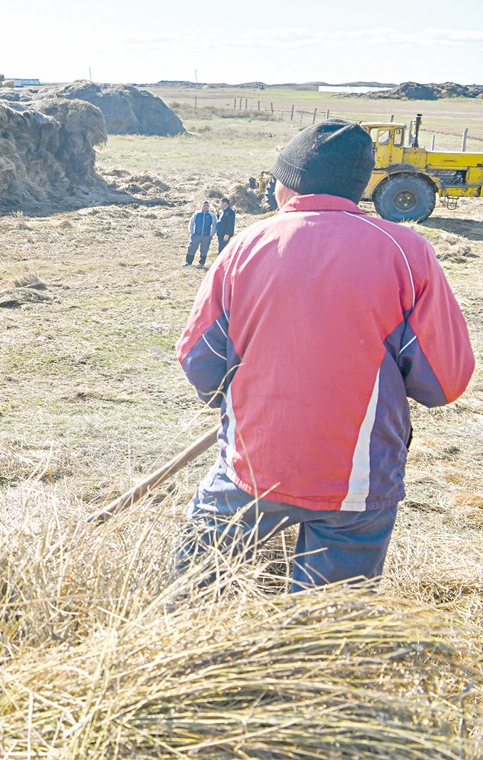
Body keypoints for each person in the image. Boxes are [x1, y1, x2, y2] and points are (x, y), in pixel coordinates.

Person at [174, 120, 473, 590]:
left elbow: (200, 360)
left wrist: (236, 397)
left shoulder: (244, 248)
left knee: (193, 590)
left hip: (250, 465)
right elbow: (445, 380)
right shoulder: (409, 252)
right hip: (358, 480)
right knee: (327, 630)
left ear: (286, 184)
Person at [184, 200, 214, 267]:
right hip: (196, 235)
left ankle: (201, 263)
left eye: (207, 206)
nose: (206, 207)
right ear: (201, 206)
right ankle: (188, 262)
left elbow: (214, 226)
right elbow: (191, 223)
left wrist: (211, 235)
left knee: (204, 250)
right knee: (192, 248)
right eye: (204, 205)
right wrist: (192, 233)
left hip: (206, 236)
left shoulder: (211, 215)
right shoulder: (197, 214)